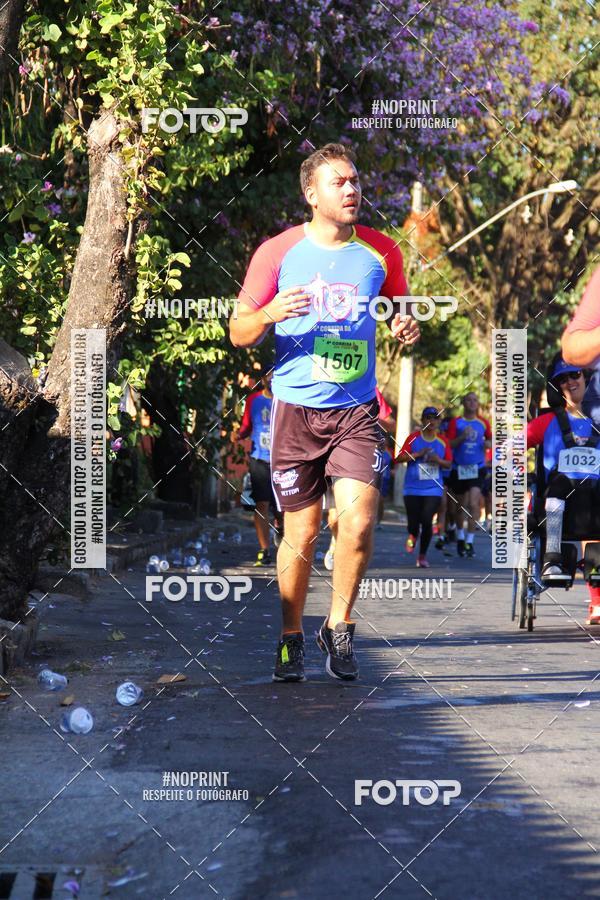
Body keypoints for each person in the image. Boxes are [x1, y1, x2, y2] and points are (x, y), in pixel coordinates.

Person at [230, 142, 420, 682]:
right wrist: (268, 312)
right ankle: (292, 636)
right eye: (339, 182)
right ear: (312, 194)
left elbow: (402, 314)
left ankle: (339, 627)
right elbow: (238, 331)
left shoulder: (382, 252)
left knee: (358, 524)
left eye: (356, 180)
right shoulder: (278, 252)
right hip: (295, 410)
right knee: (303, 531)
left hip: (357, 411)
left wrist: (406, 326)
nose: (353, 189)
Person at [527, 356, 600, 616]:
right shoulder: (547, 422)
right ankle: (552, 560)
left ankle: (597, 598)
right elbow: (511, 446)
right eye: (563, 379)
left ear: (586, 378)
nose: (570, 381)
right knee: (559, 485)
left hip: (593, 498)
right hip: (559, 497)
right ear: (557, 387)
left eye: (575, 375)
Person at [323, 384, 395, 570]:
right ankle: (334, 543)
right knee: (333, 517)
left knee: (357, 515)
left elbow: (390, 422)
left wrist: (370, 416)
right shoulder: (326, 383)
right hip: (330, 450)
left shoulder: (371, 389)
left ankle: (346, 553)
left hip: (359, 451)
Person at [232, 367, 282, 566]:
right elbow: (246, 426)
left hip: (284, 461)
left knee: (281, 507)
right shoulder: (253, 400)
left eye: (275, 376)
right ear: (263, 379)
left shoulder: (287, 400)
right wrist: (238, 434)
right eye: (269, 376)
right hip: (259, 458)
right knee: (261, 504)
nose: (271, 379)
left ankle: (281, 527)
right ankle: (264, 550)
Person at [395, 407, 452, 567]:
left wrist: (438, 460)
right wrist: (418, 454)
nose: (431, 421)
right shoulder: (413, 438)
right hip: (412, 487)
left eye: (435, 418)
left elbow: (448, 464)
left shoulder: (442, 441)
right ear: (422, 420)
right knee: (413, 523)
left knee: (427, 520)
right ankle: (413, 535)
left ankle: (422, 556)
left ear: (439, 422)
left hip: (433, 488)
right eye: (428, 417)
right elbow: (399, 458)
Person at [446, 393, 492, 558]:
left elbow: (491, 440)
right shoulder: (456, 422)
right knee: (460, 507)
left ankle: (470, 541)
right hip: (459, 468)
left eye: (475, 400)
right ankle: (460, 538)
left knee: (473, 504)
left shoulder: (483, 422)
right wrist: (462, 437)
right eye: (469, 400)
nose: (472, 403)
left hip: (477, 468)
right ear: (463, 403)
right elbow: (449, 444)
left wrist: (488, 444)